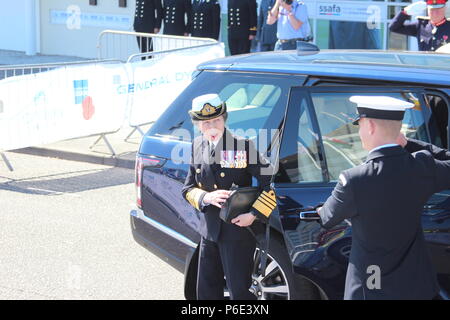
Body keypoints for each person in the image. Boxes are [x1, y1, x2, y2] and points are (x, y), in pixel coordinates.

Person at [317, 96, 450, 300]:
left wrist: (320, 210)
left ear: (369, 125)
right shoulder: (423, 166)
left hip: (372, 283)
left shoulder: (353, 180)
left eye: (359, 125)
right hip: (416, 283)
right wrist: (408, 143)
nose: (359, 132)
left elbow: (327, 218)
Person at [181, 94, 276, 300]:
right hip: (209, 232)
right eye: (205, 123)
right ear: (197, 125)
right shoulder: (197, 146)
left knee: (240, 293)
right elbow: (187, 189)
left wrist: (253, 215)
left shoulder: (243, 146)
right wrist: (206, 197)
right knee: (206, 291)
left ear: (224, 119)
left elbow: (270, 184)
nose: (212, 127)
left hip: (237, 232)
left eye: (216, 120)